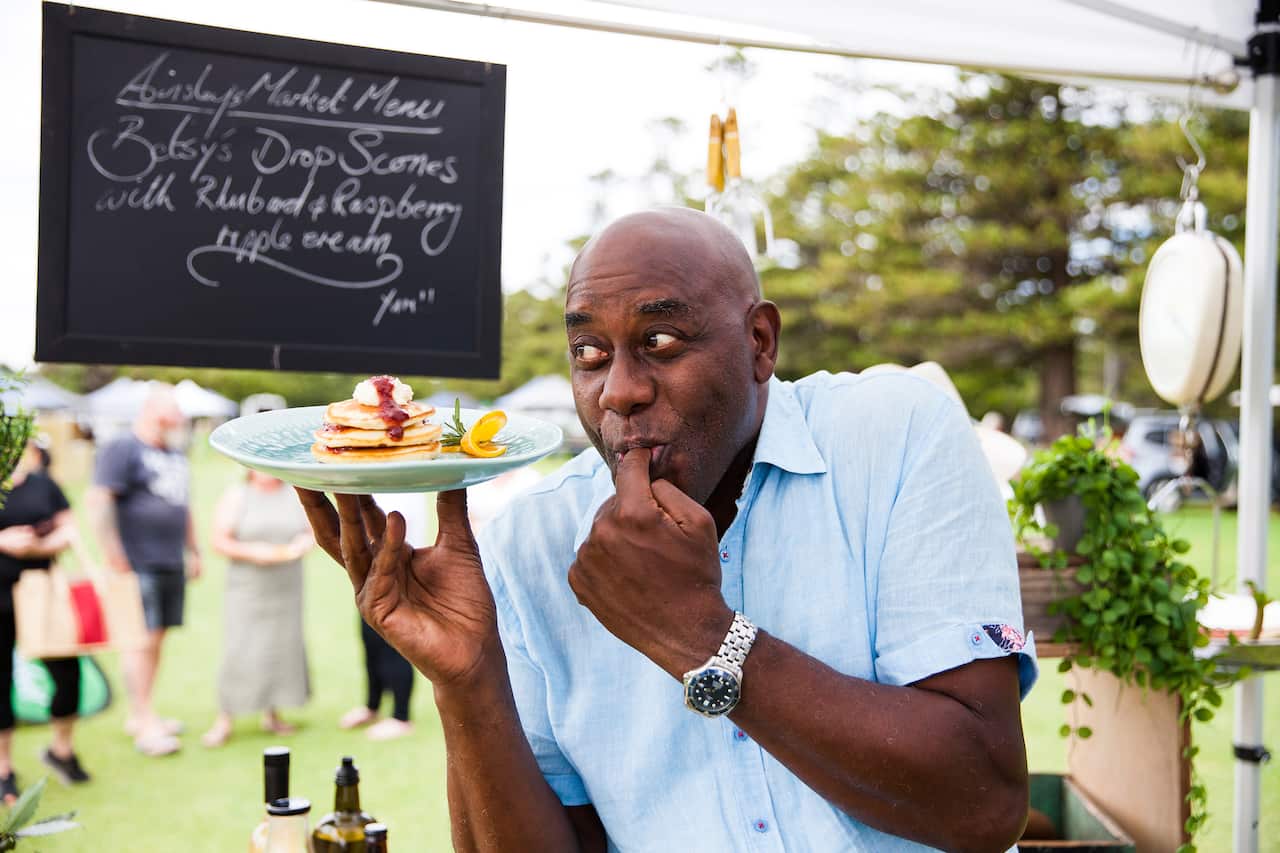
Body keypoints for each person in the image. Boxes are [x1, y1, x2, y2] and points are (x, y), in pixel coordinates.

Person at [298, 208, 1037, 851]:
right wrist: (467, 682)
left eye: (660, 341)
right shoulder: (533, 542)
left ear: (759, 342)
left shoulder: (895, 435)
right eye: (588, 354)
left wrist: (703, 638)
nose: (620, 390)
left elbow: (985, 804)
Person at [87, 384, 200, 756]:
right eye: (174, 415)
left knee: (158, 637)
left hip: (170, 559)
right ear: (154, 413)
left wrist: (193, 550)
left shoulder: (173, 452)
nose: (179, 422)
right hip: (137, 561)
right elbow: (100, 499)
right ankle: (143, 721)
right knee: (139, 639)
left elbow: (183, 505)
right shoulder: (124, 448)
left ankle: (144, 712)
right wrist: (113, 553)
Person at [0, 441, 89, 799]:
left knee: (68, 673)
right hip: (0, 595)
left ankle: (61, 750)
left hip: (44, 592)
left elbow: (69, 530)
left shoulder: (42, 483)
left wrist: (36, 546)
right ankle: (3, 768)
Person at [201, 469, 313, 748]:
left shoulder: (293, 494)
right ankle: (225, 717)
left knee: (281, 647)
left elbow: (312, 532)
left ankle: (273, 713)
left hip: (286, 584)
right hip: (248, 585)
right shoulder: (238, 495)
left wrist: (300, 545)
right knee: (241, 647)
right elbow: (219, 541)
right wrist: (254, 552)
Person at [337, 492, 424, 741]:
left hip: (397, 572)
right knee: (370, 642)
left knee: (395, 647)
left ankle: (401, 716)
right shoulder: (373, 483)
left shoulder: (403, 491)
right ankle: (372, 705)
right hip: (370, 573)